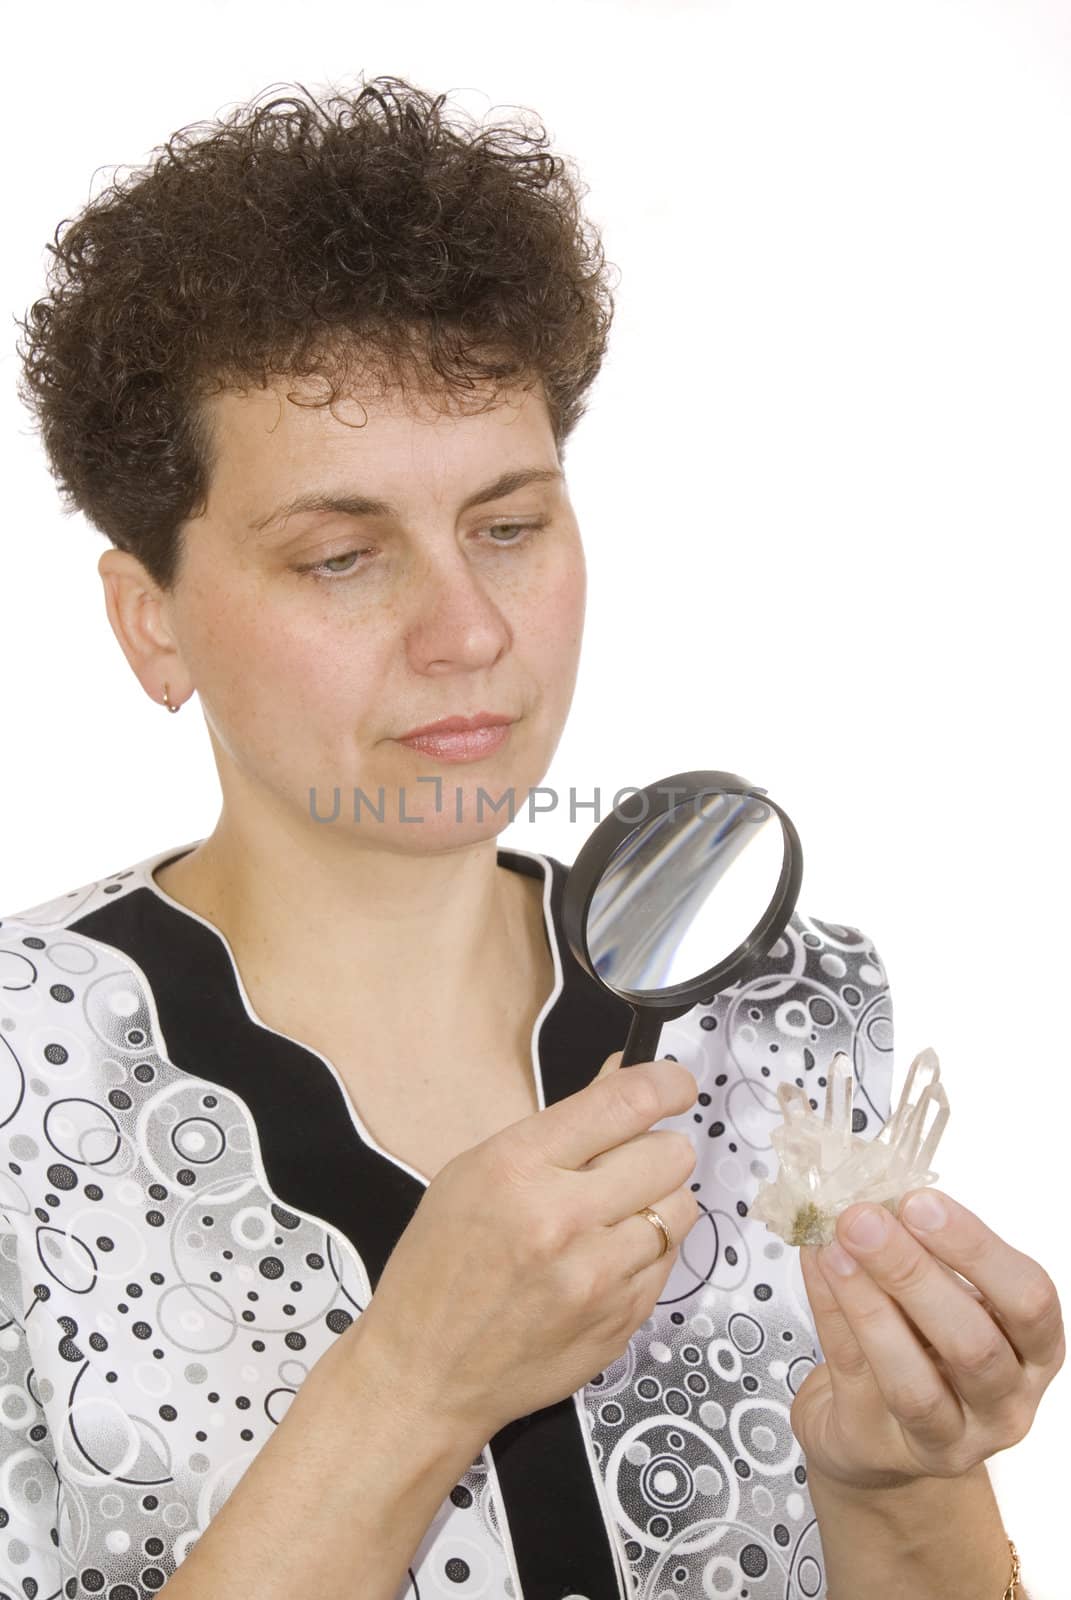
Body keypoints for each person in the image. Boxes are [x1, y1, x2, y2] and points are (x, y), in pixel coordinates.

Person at [5, 75, 1060, 1600]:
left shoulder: (778, 1007)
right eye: (342, 555)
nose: (469, 630)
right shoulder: (25, 1081)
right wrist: (408, 1391)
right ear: (148, 618)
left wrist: (892, 1478)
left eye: (509, 526)